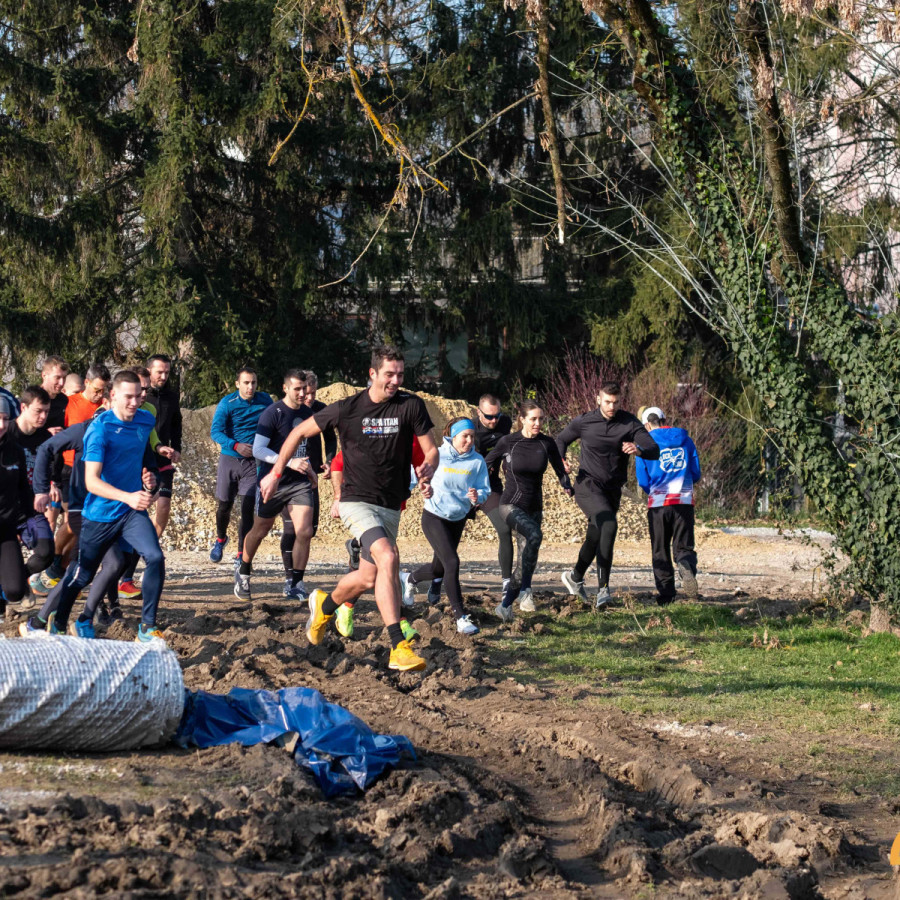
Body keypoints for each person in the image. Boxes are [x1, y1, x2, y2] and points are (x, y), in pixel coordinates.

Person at [259, 345, 438, 673]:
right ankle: (398, 645)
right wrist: (275, 472)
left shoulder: (411, 406)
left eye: (400, 374)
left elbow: (431, 451)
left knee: (369, 577)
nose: (395, 381)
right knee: (388, 557)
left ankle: (324, 606)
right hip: (356, 500)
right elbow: (298, 431)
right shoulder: (348, 408)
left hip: (390, 504)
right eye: (389, 374)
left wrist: (428, 469)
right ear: (372, 373)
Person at [29, 370, 164, 642]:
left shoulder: (145, 421)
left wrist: (151, 481)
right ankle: (54, 621)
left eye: (139, 396)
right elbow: (91, 481)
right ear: (112, 396)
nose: (135, 402)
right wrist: (44, 486)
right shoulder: (97, 429)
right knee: (81, 575)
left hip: (130, 512)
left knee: (152, 557)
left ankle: (147, 627)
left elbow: (147, 461)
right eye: (128, 397)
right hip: (98, 513)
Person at [555, 382, 660, 608]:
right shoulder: (584, 421)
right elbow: (561, 440)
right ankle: (603, 590)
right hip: (587, 485)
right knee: (609, 525)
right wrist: (561, 461)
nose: (612, 407)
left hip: (612, 490)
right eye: (607, 402)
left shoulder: (628, 422)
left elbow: (654, 450)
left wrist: (638, 450)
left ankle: (574, 577)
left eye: (616, 402)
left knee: (595, 535)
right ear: (598, 400)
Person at [400, 417, 490, 635]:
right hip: (434, 517)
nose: (469, 441)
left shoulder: (477, 461)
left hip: (457, 519)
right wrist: (420, 487)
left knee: (439, 568)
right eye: (464, 436)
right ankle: (461, 617)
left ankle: (409, 578)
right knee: (452, 562)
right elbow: (415, 477)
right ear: (452, 436)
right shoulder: (437, 455)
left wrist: (477, 496)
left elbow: (484, 489)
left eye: (472, 436)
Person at [485, 400, 572, 621]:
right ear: (522, 419)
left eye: (541, 419)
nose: (537, 423)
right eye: (533, 419)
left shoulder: (546, 443)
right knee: (534, 535)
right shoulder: (508, 442)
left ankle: (506, 605)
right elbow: (485, 463)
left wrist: (567, 485)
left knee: (527, 555)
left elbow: (559, 468)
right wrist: (480, 487)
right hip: (510, 505)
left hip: (535, 506)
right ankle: (524, 591)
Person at [235, 369, 315, 602]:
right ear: (285, 388)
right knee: (260, 530)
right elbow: (258, 450)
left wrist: (312, 469)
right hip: (273, 481)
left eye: (304, 389)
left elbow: (308, 448)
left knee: (305, 531)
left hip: (299, 483)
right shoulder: (272, 413)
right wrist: (289, 462)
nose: (302, 393)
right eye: (297, 389)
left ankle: (296, 583)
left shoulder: (308, 413)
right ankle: (244, 570)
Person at [115, 366, 177, 601]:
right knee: (105, 547)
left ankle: (126, 581)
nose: (141, 396)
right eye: (137, 391)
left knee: (140, 530)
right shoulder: (107, 416)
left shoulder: (148, 412)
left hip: (143, 472)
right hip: (113, 483)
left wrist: (159, 450)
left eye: (144, 391)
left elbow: (150, 439)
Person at [636, 407, 702, 603]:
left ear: (647, 425)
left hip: (658, 504)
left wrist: (653, 491)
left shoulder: (644, 444)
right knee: (684, 546)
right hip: (683, 501)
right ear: (664, 420)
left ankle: (666, 595)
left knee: (660, 549)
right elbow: (695, 473)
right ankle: (685, 565)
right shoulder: (686, 440)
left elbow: (643, 480)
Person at [209, 365, 273, 564]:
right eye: (246, 383)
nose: (250, 387)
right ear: (237, 384)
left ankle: (240, 554)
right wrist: (235, 445)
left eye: (253, 382)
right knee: (224, 506)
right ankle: (221, 539)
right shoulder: (227, 403)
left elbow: (275, 425)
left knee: (247, 508)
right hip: (229, 459)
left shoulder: (265, 400)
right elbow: (215, 432)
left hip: (253, 463)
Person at [9, 387, 55, 599]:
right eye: (38, 411)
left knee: (46, 553)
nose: (43, 416)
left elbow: (53, 469)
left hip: (31, 508)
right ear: (23, 407)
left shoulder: (46, 438)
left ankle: (18, 580)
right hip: (6, 507)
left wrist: (53, 484)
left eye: (46, 411)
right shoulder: (7, 432)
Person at [472, 394, 515, 595]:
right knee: (450, 537)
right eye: (489, 416)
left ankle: (507, 582)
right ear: (478, 412)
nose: (493, 421)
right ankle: (435, 580)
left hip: (490, 487)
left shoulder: (504, 423)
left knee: (505, 529)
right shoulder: (469, 430)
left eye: (497, 415)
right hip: (466, 488)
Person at [0, 394, 34, 621]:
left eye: (5, 419)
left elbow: (24, 490)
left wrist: (31, 521)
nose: (1, 425)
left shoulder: (16, 451)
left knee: (15, 590)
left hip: (6, 530)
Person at [146, 354, 182, 537]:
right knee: (143, 503)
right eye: (159, 372)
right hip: (143, 458)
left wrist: (177, 448)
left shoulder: (172, 397)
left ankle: (151, 544)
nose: (163, 376)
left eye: (167, 372)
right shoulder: (140, 398)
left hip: (163, 458)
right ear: (149, 371)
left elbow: (176, 425)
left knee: (164, 505)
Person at [40, 356, 70, 434]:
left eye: (64, 378)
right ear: (44, 376)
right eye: (57, 377)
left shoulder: (64, 400)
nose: (61, 383)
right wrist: (46, 434)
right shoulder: (33, 398)